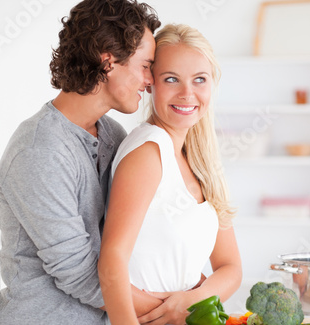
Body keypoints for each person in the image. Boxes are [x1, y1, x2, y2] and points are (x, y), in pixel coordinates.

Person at [0, 1, 162, 324]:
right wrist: (171, 306)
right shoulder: (39, 150)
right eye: (145, 65)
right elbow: (81, 276)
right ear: (108, 61)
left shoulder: (114, 136)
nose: (150, 80)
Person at [98, 24, 243, 325]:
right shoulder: (148, 153)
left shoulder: (200, 160)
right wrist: (171, 308)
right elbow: (111, 263)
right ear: (151, 83)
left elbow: (230, 267)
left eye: (199, 80)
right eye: (172, 79)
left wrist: (189, 302)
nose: (187, 94)